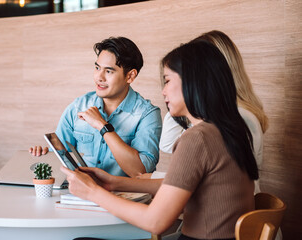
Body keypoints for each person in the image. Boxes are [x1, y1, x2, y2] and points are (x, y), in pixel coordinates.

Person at [61, 40, 258, 240]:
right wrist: (113, 183)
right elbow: (178, 184)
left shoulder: (197, 139)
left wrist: (92, 192)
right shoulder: (229, 129)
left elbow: (155, 222)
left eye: (168, 81)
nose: (163, 91)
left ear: (193, 82)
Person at [142, 31, 268, 194]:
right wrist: (181, 100)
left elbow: (216, 182)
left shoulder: (238, 117)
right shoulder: (212, 117)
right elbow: (167, 145)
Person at [30, 37, 162, 177]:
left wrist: (102, 126)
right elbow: (58, 159)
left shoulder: (147, 114)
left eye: (109, 71)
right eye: (97, 68)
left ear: (130, 76)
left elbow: (140, 172)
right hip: (79, 195)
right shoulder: (78, 106)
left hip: (124, 196)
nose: (99, 77)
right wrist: (42, 155)